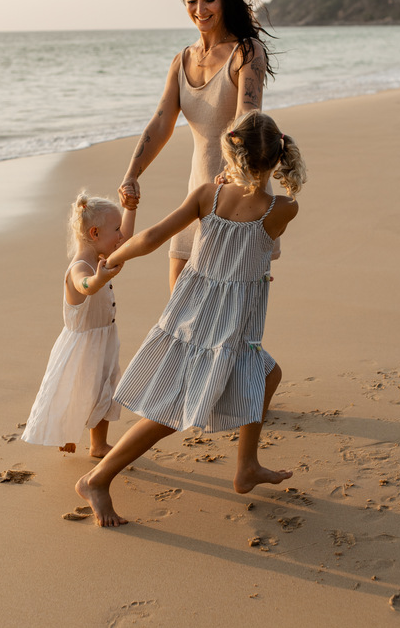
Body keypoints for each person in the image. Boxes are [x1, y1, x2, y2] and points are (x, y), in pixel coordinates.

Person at [77, 111, 306, 527]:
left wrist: (112, 257)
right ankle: (98, 477)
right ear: (276, 161)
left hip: (193, 312)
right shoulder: (283, 208)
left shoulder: (208, 195)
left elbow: (150, 238)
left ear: (231, 156)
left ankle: (247, 466)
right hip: (228, 322)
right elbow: (259, 227)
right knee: (169, 412)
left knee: (266, 375)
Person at [119, 0, 277, 292]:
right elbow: (161, 122)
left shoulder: (247, 53)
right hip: (198, 193)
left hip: (238, 194)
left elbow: (246, 119)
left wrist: (233, 173)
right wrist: (132, 174)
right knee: (178, 306)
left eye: (209, 0)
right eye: (192, 0)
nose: (200, 10)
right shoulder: (182, 60)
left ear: (224, 0)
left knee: (228, 318)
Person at [22, 191, 136, 459]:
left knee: (104, 390)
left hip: (105, 338)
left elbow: (129, 239)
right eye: (116, 230)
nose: (121, 237)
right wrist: (99, 279)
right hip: (83, 346)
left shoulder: (101, 257)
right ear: (95, 233)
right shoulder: (80, 267)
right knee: (77, 393)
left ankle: (98, 445)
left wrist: (130, 207)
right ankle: (66, 433)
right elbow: (84, 286)